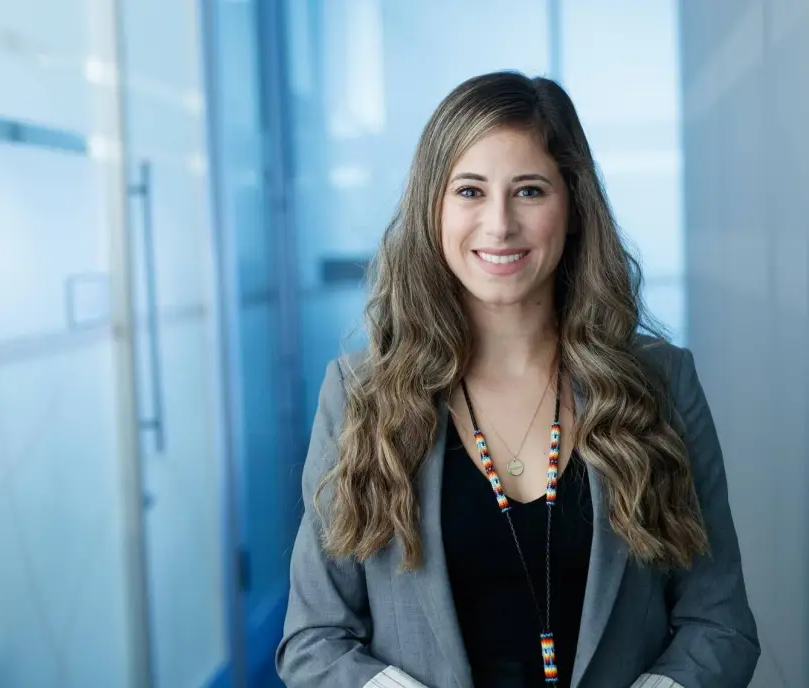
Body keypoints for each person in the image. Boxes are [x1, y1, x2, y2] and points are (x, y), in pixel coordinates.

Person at [275, 71, 759, 688]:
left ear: (574, 207)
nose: (499, 224)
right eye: (470, 192)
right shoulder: (360, 396)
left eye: (529, 190)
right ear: (434, 210)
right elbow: (314, 640)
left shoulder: (659, 384)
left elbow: (719, 626)